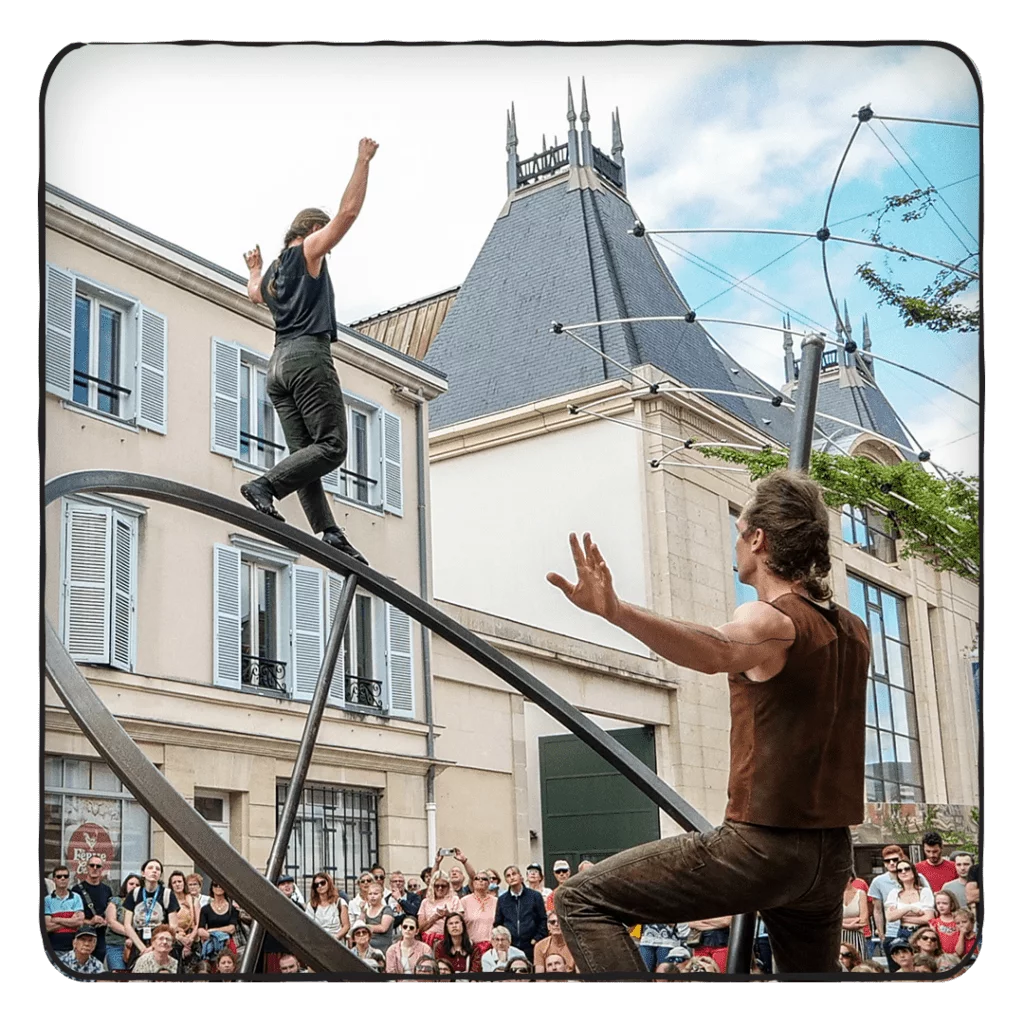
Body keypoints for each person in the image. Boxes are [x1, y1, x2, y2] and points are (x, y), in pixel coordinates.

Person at [549, 471, 871, 974]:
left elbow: (717, 648)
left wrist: (615, 611)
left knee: (579, 899)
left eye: (738, 532)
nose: (735, 545)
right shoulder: (854, 630)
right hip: (830, 856)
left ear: (758, 539)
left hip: (763, 848)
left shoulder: (772, 619)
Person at [241, 138, 379, 564]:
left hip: (277, 368)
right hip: (306, 358)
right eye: (324, 240)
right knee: (333, 446)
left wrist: (255, 269)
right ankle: (264, 485)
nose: (327, 250)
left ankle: (329, 532)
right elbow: (348, 214)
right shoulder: (307, 251)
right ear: (311, 231)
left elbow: (253, 293)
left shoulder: (273, 273)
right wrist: (363, 160)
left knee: (306, 458)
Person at [885, 859, 935, 961]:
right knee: (905, 962)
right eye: (899, 870)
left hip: (921, 932)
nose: (903, 872)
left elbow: (928, 918)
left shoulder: (924, 891)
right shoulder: (894, 893)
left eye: (907, 869)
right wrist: (910, 908)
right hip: (902, 932)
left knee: (923, 962)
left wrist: (902, 917)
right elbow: (890, 917)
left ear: (913, 871)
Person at [494, 865, 547, 957]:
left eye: (514, 874)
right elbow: (498, 923)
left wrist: (537, 939)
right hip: (510, 947)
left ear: (520, 876)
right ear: (506, 880)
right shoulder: (502, 900)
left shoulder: (535, 896)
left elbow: (543, 919)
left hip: (531, 945)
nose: (512, 877)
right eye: (508, 876)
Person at [72, 855, 112, 965]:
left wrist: (106, 921)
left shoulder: (107, 890)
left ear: (102, 869)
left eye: (98, 866)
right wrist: (90, 921)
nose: (95, 868)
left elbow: (110, 913)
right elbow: (73, 917)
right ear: (87, 867)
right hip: (83, 935)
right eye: (92, 865)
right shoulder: (76, 890)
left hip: (101, 938)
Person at [45, 864, 86, 955]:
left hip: (74, 949)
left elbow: (79, 922)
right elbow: (48, 927)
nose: (62, 878)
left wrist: (57, 919)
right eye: (59, 876)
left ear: (68, 879)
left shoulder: (76, 897)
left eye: (65, 876)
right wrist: (71, 921)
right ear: (54, 879)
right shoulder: (47, 900)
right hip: (53, 948)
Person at [104, 873, 141, 971]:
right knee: (119, 975)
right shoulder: (116, 901)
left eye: (137, 885)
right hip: (116, 946)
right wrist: (131, 934)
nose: (134, 886)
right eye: (131, 884)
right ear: (125, 885)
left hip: (137, 948)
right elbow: (111, 922)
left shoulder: (143, 905)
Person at [417, 870, 464, 947]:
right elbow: (420, 928)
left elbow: (461, 922)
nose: (440, 888)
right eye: (437, 886)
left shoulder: (454, 899)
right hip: (428, 941)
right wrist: (435, 917)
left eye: (443, 886)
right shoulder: (425, 902)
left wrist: (448, 914)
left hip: (449, 941)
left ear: (448, 886)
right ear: (432, 886)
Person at [197, 880, 240, 959]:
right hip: (211, 945)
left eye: (221, 885)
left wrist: (212, 930)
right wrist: (215, 937)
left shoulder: (232, 909)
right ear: (212, 888)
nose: (218, 887)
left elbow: (231, 929)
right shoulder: (205, 909)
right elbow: (200, 930)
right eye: (215, 885)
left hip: (228, 944)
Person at [306, 871, 349, 943]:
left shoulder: (340, 902)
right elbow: (308, 926)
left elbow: (346, 926)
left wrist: (336, 937)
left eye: (322, 883)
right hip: (318, 942)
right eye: (316, 885)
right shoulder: (311, 905)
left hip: (337, 942)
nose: (320, 886)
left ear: (328, 883)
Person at [462, 869, 499, 947]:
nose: (480, 881)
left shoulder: (496, 901)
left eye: (484, 879)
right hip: (471, 946)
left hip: (492, 945)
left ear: (489, 883)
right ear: (473, 882)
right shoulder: (464, 901)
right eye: (477, 879)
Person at [360, 882, 395, 953]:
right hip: (368, 948)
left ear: (381, 895)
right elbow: (359, 925)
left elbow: (383, 928)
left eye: (375, 894)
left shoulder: (386, 909)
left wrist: (365, 927)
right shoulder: (366, 910)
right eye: (370, 894)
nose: (372, 896)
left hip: (383, 948)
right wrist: (362, 912)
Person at [841, 872, 869, 958]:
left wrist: (840, 922)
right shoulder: (833, 895)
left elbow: (864, 920)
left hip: (856, 935)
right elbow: (830, 920)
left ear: (851, 877)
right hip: (838, 936)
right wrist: (849, 924)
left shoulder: (860, 893)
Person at [929, 889, 961, 954]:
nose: (941, 906)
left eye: (945, 903)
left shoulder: (959, 921)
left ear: (952, 904)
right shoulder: (934, 923)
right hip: (940, 956)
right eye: (938, 903)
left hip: (958, 955)